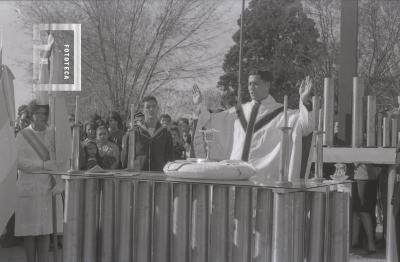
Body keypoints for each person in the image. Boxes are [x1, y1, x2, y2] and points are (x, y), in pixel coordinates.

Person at [192, 69, 314, 181]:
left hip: (264, 181)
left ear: (267, 85)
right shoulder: (237, 112)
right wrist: (199, 107)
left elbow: (306, 125)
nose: (251, 88)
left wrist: (304, 102)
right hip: (235, 178)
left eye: (256, 84)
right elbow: (209, 122)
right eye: (249, 84)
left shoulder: (283, 115)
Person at [14, 99, 64, 262]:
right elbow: (19, 162)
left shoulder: (53, 134)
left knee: (45, 230)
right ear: (31, 114)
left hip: (47, 187)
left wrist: (60, 181)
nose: (42, 116)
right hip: (28, 186)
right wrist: (42, 164)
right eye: (38, 113)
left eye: (45, 113)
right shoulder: (22, 136)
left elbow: (61, 160)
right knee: (29, 231)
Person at [121, 96, 174, 171]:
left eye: (154, 106)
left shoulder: (165, 133)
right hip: (139, 177)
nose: (151, 109)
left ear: (157, 108)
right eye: (148, 107)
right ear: (143, 110)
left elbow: (170, 158)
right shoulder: (135, 132)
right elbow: (124, 159)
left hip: (159, 178)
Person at [352, 163, 378, 253]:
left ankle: (370, 243)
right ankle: (355, 241)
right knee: (356, 211)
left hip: (362, 176)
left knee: (363, 211)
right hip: (364, 176)